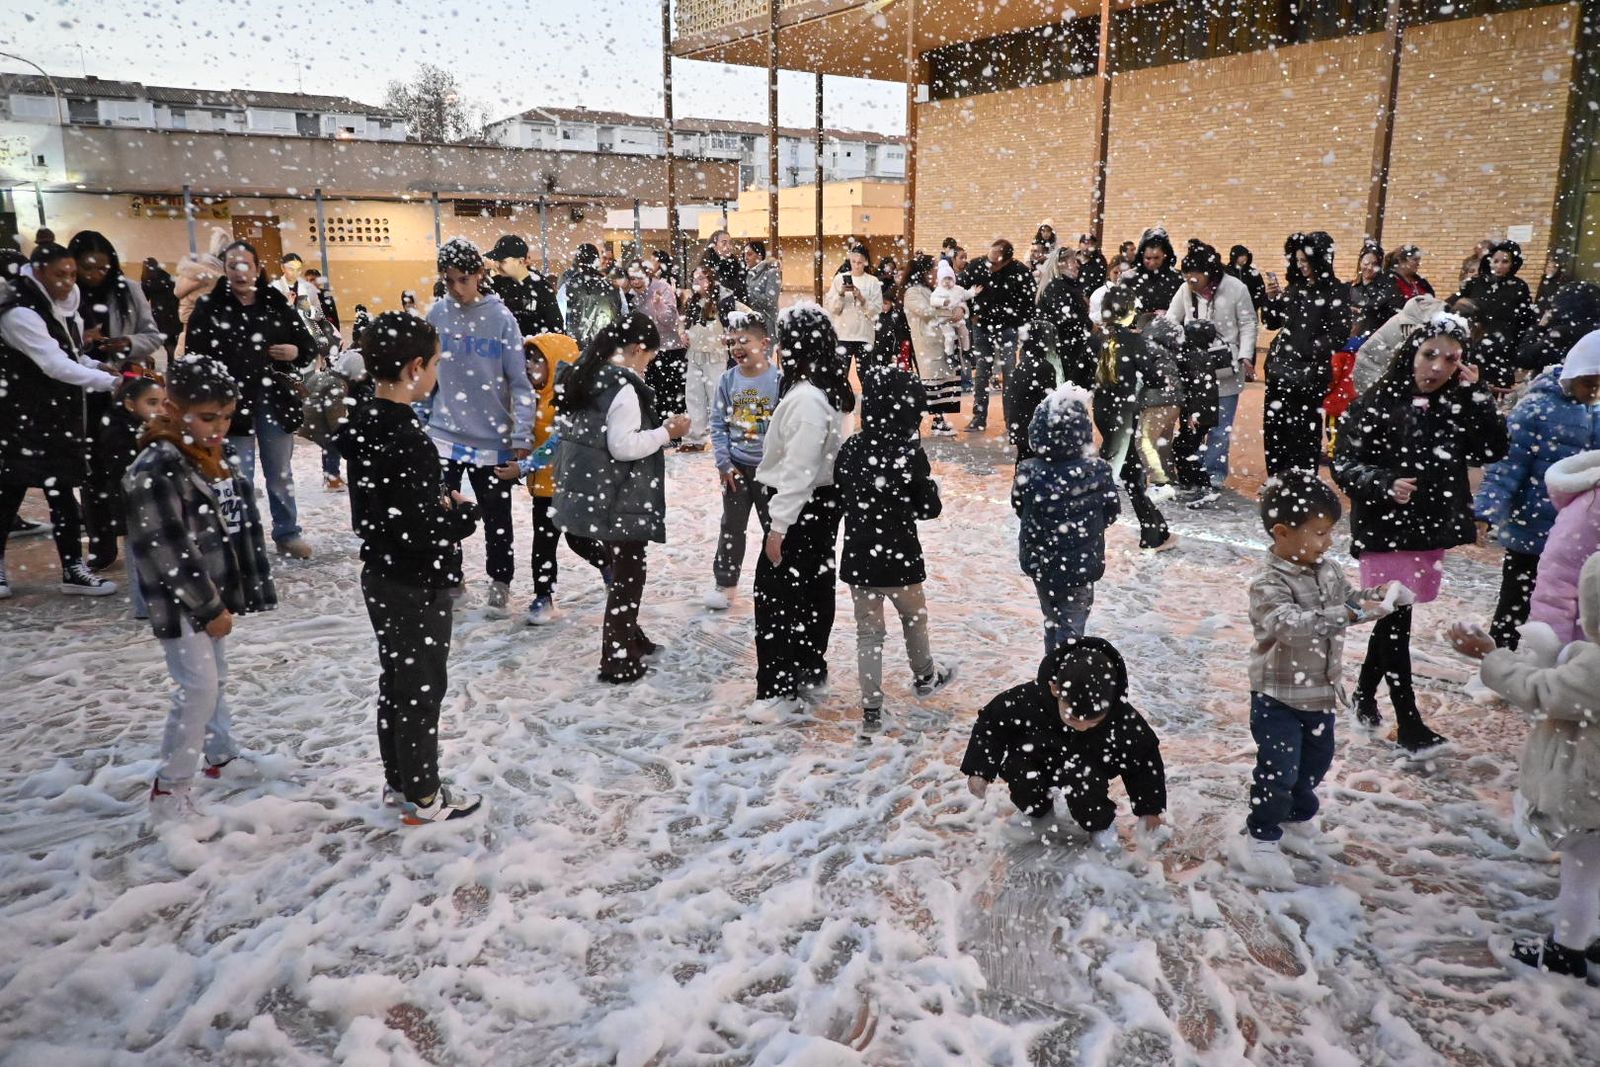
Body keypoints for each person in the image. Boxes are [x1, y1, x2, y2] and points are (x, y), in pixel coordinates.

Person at [1333, 314, 1508, 753]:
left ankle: (1364, 696)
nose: (1437, 367)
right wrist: (1384, 483)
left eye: (1450, 359)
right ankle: (1408, 720)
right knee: (1395, 623)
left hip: (1429, 528)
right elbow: (1345, 465)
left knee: (1395, 617)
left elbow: (1492, 448)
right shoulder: (1376, 402)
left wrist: (1478, 394)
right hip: (1384, 529)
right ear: (1411, 352)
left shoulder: (1457, 403)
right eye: (1430, 355)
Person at [334, 312, 483, 824]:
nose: (437, 372)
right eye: (436, 362)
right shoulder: (406, 437)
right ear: (415, 367)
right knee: (420, 686)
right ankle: (422, 796)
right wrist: (462, 516)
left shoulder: (364, 422)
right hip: (415, 579)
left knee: (397, 679)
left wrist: (434, 505)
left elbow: (381, 511)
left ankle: (401, 780)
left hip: (381, 572)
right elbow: (420, 528)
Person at [125, 355, 276, 812]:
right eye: (209, 417)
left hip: (211, 589)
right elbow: (167, 549)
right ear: (173, 409)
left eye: (227, 417)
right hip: (180, 599)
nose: (220, 428)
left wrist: (239, 586)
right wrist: (208, 607)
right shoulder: (156, 467)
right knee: (198, 687)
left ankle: (220, 756)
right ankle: (170, 788)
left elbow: (236, 523)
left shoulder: (214, 454)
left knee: (214, 678)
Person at [1451, 554, 1600, 979]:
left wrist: (1491, 656)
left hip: (1591, 796)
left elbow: (1539, 690)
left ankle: (1565, 951)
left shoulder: (1596, 668)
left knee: (1582, 874)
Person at [1245, 473, 1393, 850]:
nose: (1328, 542)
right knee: (1278, 770)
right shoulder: (1268, 582)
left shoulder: (1327, 569)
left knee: (1315, 763)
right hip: (1277, 697)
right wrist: (1350, 613)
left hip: (1320, 693)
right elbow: (1291, 626)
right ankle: (1262, 834)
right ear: (1282, 533)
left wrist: (1378, 595)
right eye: (1320, 533)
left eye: (1330, 533)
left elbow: (1350, 598)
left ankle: (1295, 819)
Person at [552, 313, 689, 684]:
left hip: (586, 486)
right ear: (637, 349)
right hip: (617, 492)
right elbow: (623, 446)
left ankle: (631, 639)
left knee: (621, 568)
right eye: (649, 358)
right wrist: (666, 432)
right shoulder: (621, 386)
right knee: (629, 574)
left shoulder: (585, 375)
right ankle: (617, 658)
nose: (648, 366)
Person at [961, 639, 1167, 854]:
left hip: (1088, 768)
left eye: (1093, 722)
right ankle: (1036, 814)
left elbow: (1144, 759)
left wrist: (1150, 809)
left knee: (1085, 785)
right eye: (1073, 718)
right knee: (1020, 769)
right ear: (1055, 689)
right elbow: (991, 724)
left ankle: (1099, 827)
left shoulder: (1121, 717)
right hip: (1039, 758)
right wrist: (979, 770)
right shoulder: (1029, 699)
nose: (1082, 727)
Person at [183, 240, 319, 559]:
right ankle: (243, 538)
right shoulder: (210, 307)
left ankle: (287, 532)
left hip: (274, 399)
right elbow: (194, 357)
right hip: (229, 406)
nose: (240, 272)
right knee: (237, 477)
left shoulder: (274, 302)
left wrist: (295, 351)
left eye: (246, 265)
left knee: (279, 473)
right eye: (233, 266)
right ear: (225, 269)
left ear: (258, 269)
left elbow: (307, 345)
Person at [0, 243, 122, 598]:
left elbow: (71, 354)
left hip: (58, 415)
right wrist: (110, 383)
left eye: (71, 274)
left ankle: (72, 567)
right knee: (9, 492)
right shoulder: (19, 312)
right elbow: (53, 363)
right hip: (21, 416)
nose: (68, 281)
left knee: (63, 491)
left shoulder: (63, 304)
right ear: (39, 272)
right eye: (59, 274)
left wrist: (98, 366)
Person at [749, 305, 854, 718]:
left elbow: (799, 469)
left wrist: (779, 526)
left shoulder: (808, 397)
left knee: (777, 598)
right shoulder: (826, 390)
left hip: (802, 506)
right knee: (812, 590)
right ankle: (808, 666)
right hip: (821, 505)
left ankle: (778, 689)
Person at [835, 368, 954, 729]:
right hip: (901, 558)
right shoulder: (908, 453)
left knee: (869, 635)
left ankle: (872, 706)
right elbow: (928, 508)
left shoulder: (852, 448)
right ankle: (925, 675)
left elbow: (842, 491)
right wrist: (925, 489)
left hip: (861, 558)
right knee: (914, 619)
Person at [423, 238, 535, 609]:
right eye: (449, 280)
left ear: (479, 275)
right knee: (442, 511)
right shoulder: (437, 314)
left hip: (493, 437)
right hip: (444, 433)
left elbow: (519, 381)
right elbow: (425, 374)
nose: (457, 288)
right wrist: (421, 419)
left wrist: (522, 432)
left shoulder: (501, 318)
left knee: (496, 518)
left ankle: (500, 579)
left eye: (464, 279)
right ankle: (450, 576)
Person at [1472, 333, 1600, 649]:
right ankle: (1500, 658)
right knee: (1515, 602)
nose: (1593, 392)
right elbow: (1507, 466)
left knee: (1564, 607)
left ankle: (1547, 661)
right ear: (1573, 374)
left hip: (1572, 534)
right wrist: (1485, 512)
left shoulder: (1593, 413)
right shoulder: (1535, 409)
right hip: (1530, 528)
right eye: (1589, 383)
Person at [71, 231, 167, 567]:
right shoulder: (67, 294)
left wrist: (127, 343)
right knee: (92, 471)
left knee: (130, 466)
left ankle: (139, 536)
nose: (95, 274)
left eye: (102, 267)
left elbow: (152, 335)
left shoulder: (128, 290)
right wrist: (85, 343)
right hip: (83, 394)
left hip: (125, 391)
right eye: (87, 268)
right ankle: (102, 544)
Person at [510, 333, 611, 627]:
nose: (529, 366)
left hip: (570, 486)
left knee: (578, 539)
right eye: (527, 360)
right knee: (543, 544)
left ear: (556, 362)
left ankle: (607, 566)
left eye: (537, 360)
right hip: (543, 489)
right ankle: (543, 596)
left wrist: (525, 465)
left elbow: (558, 443)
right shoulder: (530, 397)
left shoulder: (571, 401)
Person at [1013, 384, 1119, 649]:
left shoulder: (1028, 470)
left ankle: (1052, 664)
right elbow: (1111, 511)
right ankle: (1064, 668)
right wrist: (1086, 528)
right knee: (1073, 625)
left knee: (1051, 618)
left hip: (1042, 561)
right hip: (1080, 564)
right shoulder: (1098, 470)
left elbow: (1019, 507)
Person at [1167, 241, 1257, 495]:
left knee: (1220, 427)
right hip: (1195, 369)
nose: (1191, 281)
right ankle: (1192, 471)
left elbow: (1248, 323)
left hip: (1225, 368)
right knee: (1193, 424)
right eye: (1187, 276)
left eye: (1195, 276)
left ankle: (1214, 473)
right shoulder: (1185, 290)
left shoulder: (1236, 288)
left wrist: (1246, 355)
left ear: (1210, 272)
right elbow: (1172, 319)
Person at [1260, 232, 1353, 476]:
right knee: (1275, 431)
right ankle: (1278, 479)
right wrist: (1271, 299)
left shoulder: (1336, 291)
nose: (1301, 266)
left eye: (1305, 260)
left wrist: (1306, 351)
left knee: (1303, 434)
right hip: (1281, 372)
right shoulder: (1296, 287)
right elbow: (1272, 322)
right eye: (1298, 260)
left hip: (1309, 376)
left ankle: (1302, 482)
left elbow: (1339, 333)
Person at [706, 308, 780, 611]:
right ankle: (725, 583)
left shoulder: (778, 380)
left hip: (770, 471)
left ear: (764, 343)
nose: (737, 348)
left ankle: (776, 582)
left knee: (773, 527)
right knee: (731, 527)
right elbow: (717, 423)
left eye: (744, 341)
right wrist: (724, 463)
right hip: (735, 468)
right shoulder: (727, 380)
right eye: (732, 342)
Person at [1093, 287, 1177, 552]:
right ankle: (1152, 533)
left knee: (1125, 472)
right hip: (1124, 413)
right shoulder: (1132, 341)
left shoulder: (1097, 339)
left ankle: (1156, 530)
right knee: (1128, 476)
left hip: (1103, 411)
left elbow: (1082, 374)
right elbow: (1154, 378)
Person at [87, 373, 164, 595]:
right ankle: (143, 602)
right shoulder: (121, 431)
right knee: (139, 559)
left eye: (163, 403)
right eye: (152, 403)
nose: (160, 409)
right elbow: (123, 471)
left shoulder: (148, 427)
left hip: (150, 504)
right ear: (130, 404)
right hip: (133, 506)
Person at [1450, 240, 1537, 393]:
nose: (1499, 266)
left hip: (1503, 349)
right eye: (1495, 261)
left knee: (1497, 391)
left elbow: (1526, 320)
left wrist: (1517, 348)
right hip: (1474, 345)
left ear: (1513, 264)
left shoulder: (1519, 286)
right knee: (1469, 388)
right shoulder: (1475, 283)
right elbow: (1454, 305)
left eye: (1505, 262)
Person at [967, 239, 1035, 433]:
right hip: (982, 325)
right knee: (982, 372)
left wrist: (1017, 323)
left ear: (1006, 261)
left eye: (994, 263)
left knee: (1010, 373)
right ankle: (979, 417)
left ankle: (1011, 419)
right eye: (988, 259)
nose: (989, 265)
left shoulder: (1020, 272)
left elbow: (1029, 302)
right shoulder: (977, 266)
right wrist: (971, 312)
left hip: (1008, 328)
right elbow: (961, 290)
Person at [902, 254, 961, 436]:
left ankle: (938, 421)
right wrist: (950, 313)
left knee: (941, 384)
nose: (936, 271)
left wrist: (956, 308)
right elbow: (926, 312)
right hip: (927, 345)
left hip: (939, 342)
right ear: (924, 271)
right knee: (929, 386)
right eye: (933, 267)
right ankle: (914, 424)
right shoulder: (913, 292)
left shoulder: (930, 289)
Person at [1132, 313, 1185, 500]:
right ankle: (1170, 479)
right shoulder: (1168, 345)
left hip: (1155, 401)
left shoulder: (1146, 345)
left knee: (1144, 441)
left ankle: (1159, 482)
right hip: (1174, 401)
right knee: (1163, 442)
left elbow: (1140, 376)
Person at [680, 266, 726, 452]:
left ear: (710, 280)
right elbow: (684, 323)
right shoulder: (692, 301)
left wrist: (730, 336)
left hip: (715, 354)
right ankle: (695, 437)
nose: (697, 282)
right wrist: (683, 334)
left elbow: (740, 316)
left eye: (701, 279)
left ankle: (720, 436)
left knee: (716, 395)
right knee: (694, 394)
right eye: (695, 279)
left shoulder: (723, 299)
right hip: (694, 353)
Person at [639, 251, 688, 419]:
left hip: (669, 348)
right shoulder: (632, 293)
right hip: (649, 350)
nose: (636, 282)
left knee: (673, 396)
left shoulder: (662, 286)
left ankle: (674, 427)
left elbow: (670, 319)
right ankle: (659, 426)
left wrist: (659, 305)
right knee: (654, 395)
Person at [823, 245, 883, 380]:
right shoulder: (839, 279)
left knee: (866, 376)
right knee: (840, 376)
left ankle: (867, 394)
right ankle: (843, 395)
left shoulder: (872, 281)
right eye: (853, 262)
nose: (856, 265)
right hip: (843, 334)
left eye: (860, 262)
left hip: (864, 335)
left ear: (865, 262)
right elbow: (833, 309)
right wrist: (841, 294)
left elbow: (875, 312)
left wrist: (861, 298)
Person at [1036, 256, 1095, 390]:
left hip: (1069, 345)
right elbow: (1067, 318)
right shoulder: (1057, 287)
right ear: (1061, 264)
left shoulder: (1066, 286)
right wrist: (1089, 325)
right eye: (1073, 261)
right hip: (1064, 347)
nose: (1077, 265)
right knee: (1069, 386)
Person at [488, 234, 563, 338]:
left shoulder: (541, 288)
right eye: (495, 260)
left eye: (502, 261)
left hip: (531, 346)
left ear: (521, 261)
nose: (496, 265)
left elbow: (556, 328)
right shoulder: (494, 285)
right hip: (500, 347)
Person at [563, 244, 620, 349]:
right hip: (605, 346)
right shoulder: (611, 286)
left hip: (577, 347)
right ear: (596, 260)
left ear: (577, 261)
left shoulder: (568, 286)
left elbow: (561, 317)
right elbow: (621, 315)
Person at [175, 227, 228, 331]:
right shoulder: (212, 274)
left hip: (191, 320)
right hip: (204, 321)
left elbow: (178, 291)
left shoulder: (195, 270)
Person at [1125, 227, 1183, 317]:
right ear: (1142, 256)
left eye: (1156, 258)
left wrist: (1170, 314)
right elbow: (1119, 311)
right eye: (1148, 258)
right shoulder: (1129, 278)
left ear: (1165, 256)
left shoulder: (1178, 279)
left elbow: (1186, 310)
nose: (1152, 263)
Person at [141, 257, 181, 365]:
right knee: (172, 340)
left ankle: (173, 362)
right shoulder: (167, 277)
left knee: (167, 342)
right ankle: (173, 362)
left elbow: (144, 299)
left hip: (160, 315)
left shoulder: (148, 280)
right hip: (173, 313)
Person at [744, 240, 782, 337]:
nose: (746, 258)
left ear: (759, 256)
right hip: (750, 324)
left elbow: (770, 301)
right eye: (745, 254)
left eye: (749, 254)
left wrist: (749, 294)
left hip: (766, 325)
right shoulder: (747, 273)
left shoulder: (771, 273)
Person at [703, 230, 747, 303]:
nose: (728, 247)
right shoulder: (707, 268)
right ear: (714, 246)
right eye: (724, 243)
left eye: (730, 243)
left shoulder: (737, 265)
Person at [1225, 244, 1269, 312]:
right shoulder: (1227, 272)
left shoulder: (1252, 273)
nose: (1244, 258)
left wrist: (1253, 305)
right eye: (1241, 255)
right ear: (1235, 257)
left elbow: (1260, 290)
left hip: (1250, 309)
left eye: (1245, 255)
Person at [302, 268, 340, 333]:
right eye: (306, 280)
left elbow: (333, 315)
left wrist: (337, 333)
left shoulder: (326, 294)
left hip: (326, 329)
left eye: (312, 280)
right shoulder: (303, 296)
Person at [1537, 250, 1569, 315]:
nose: (1551, 269)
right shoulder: (1544, 279)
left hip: (1553, 312)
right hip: (1541, 310)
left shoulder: (1561, 280)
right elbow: (1539, 295)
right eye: (1548, 267)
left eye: (1554, 267)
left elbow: (1560, 298)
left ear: (1557, 269)